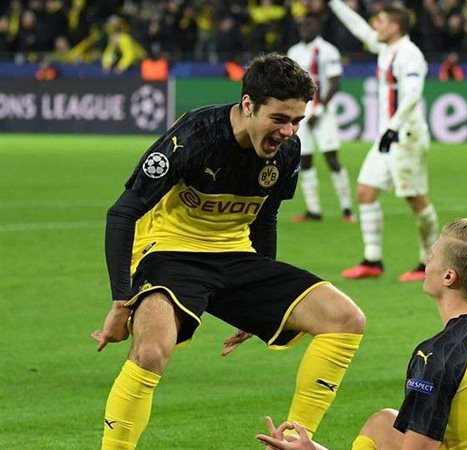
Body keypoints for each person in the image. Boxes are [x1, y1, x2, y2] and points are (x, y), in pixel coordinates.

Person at [92, 53, 365, 450]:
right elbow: (122, 213)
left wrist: (260, 302)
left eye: (297, 121)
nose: (289, 131)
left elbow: (265, 217)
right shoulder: (194, 136)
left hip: (235, 255)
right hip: (168, 253)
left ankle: (294, 443)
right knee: (150, 352)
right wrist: (121, 303)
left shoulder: (287, 151)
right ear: (248, 104)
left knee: (346, 319)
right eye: (279, 119)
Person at [258, 219, 467, 450]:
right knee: (384, 423)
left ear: (448, 277)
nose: (426, 262)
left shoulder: (437, 355)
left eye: (432, 256)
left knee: (380, 427)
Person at [328, 0, 439, 282]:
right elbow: (359, 28)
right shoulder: (387, 49)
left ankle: (431, 262)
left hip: (405, 136)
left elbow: (413, 94)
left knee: (416, 199)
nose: (374, 26)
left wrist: (393, 127)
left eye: (380, 21)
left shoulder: (410, 55)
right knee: (366, 191)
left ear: (395, 26)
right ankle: (372, 259)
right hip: (387, 136)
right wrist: (335, 4)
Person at [287, 16, 355, 224]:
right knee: (305, 159)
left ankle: (347, 209)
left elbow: (334, 82)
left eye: (310, 24)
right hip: (301, 111)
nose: (305, 29)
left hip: (324, 111)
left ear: (318, 26)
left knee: (331, 157)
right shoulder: (294, 52)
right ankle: (313, 210)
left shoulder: (328, 50)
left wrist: (320, 109)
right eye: (302, 25)